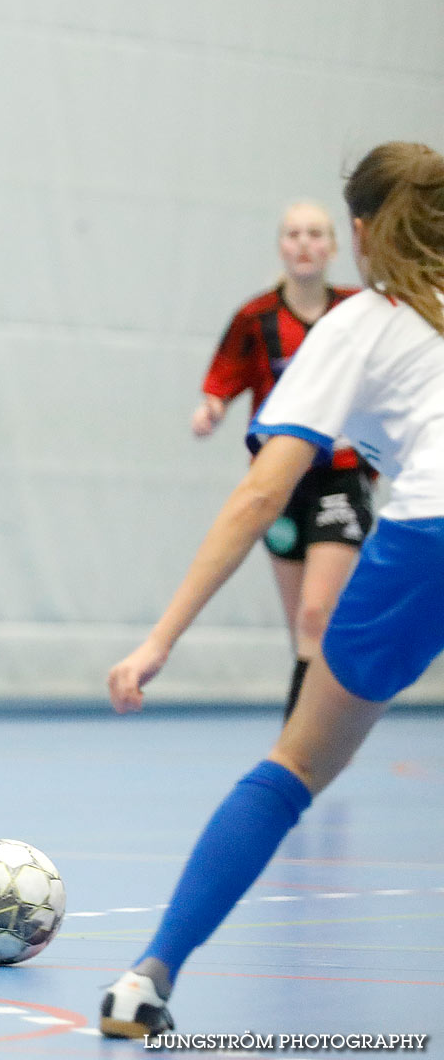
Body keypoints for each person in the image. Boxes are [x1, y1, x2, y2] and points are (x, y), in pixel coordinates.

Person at [99, 142, 444, 1038]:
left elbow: (262, 492)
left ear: (360, 233)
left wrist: (160, 638)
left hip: (426, 542)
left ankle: (147, 979)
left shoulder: (360, 322)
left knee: (293, 768)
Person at [193, 202, 371, 718]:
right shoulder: (256, 318)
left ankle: (298, 744)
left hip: (341, 477)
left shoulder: (359, 313)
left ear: (335, 246)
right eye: (293, 234)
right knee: (301, 628)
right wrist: (211, 409)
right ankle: (318, 733)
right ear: (281, 247)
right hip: (280, 484)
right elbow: (221, 381)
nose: (303, 244)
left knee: (317, 614)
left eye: (316, 234)